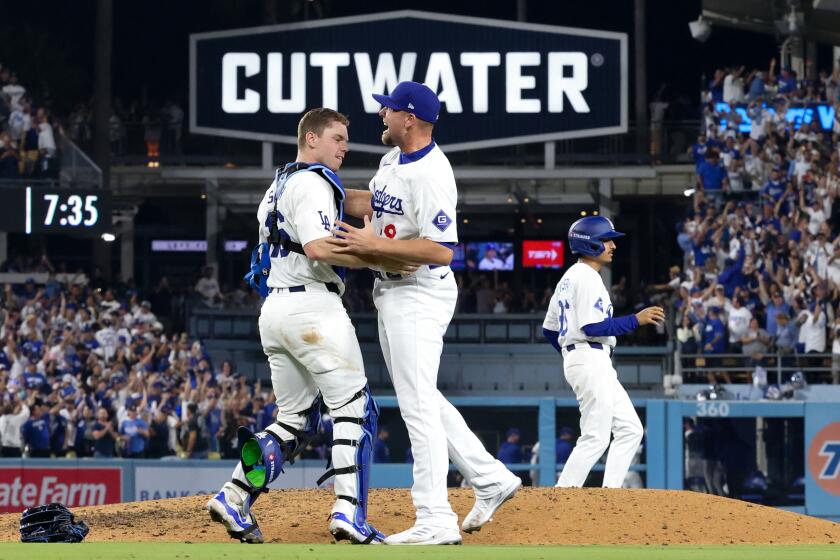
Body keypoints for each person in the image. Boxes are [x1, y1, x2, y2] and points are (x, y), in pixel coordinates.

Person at [207, 108, 414, 545]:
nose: (344, 146)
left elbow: (346, 201)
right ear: (312, 138)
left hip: (276, 312)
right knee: (356, 408)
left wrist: (390, 196)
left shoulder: (283, 182)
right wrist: (378, 255)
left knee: (295, 422)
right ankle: (348, 514)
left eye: (346, 139)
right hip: (312, 310)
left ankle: (234, 496)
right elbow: (320, 247)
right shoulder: (312, 182)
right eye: (337, 138)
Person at [331, 82, 520, 545]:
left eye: (388, 109)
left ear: (409, 118)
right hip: (391, 291)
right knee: (425, 397)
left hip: (419, 293)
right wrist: (316, 184)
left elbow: (442, 249)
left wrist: (374, 243)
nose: (382, 115)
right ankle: (490, 478)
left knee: (416, 406)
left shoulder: (434, 173)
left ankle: (435, 516)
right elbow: (372, 204)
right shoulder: (392, 159)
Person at [542, 216, 664, 488]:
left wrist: (570, 353)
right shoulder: (586, 277)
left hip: (586, 357)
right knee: (595, 437)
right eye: (606, 240)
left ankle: (611, 493)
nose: (612, 245)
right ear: (590, 244)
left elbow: (549, 330)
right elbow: (592, 326)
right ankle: (562, 497)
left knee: (630, 429)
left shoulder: (568, 278)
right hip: (589, 356)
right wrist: (636, 319)